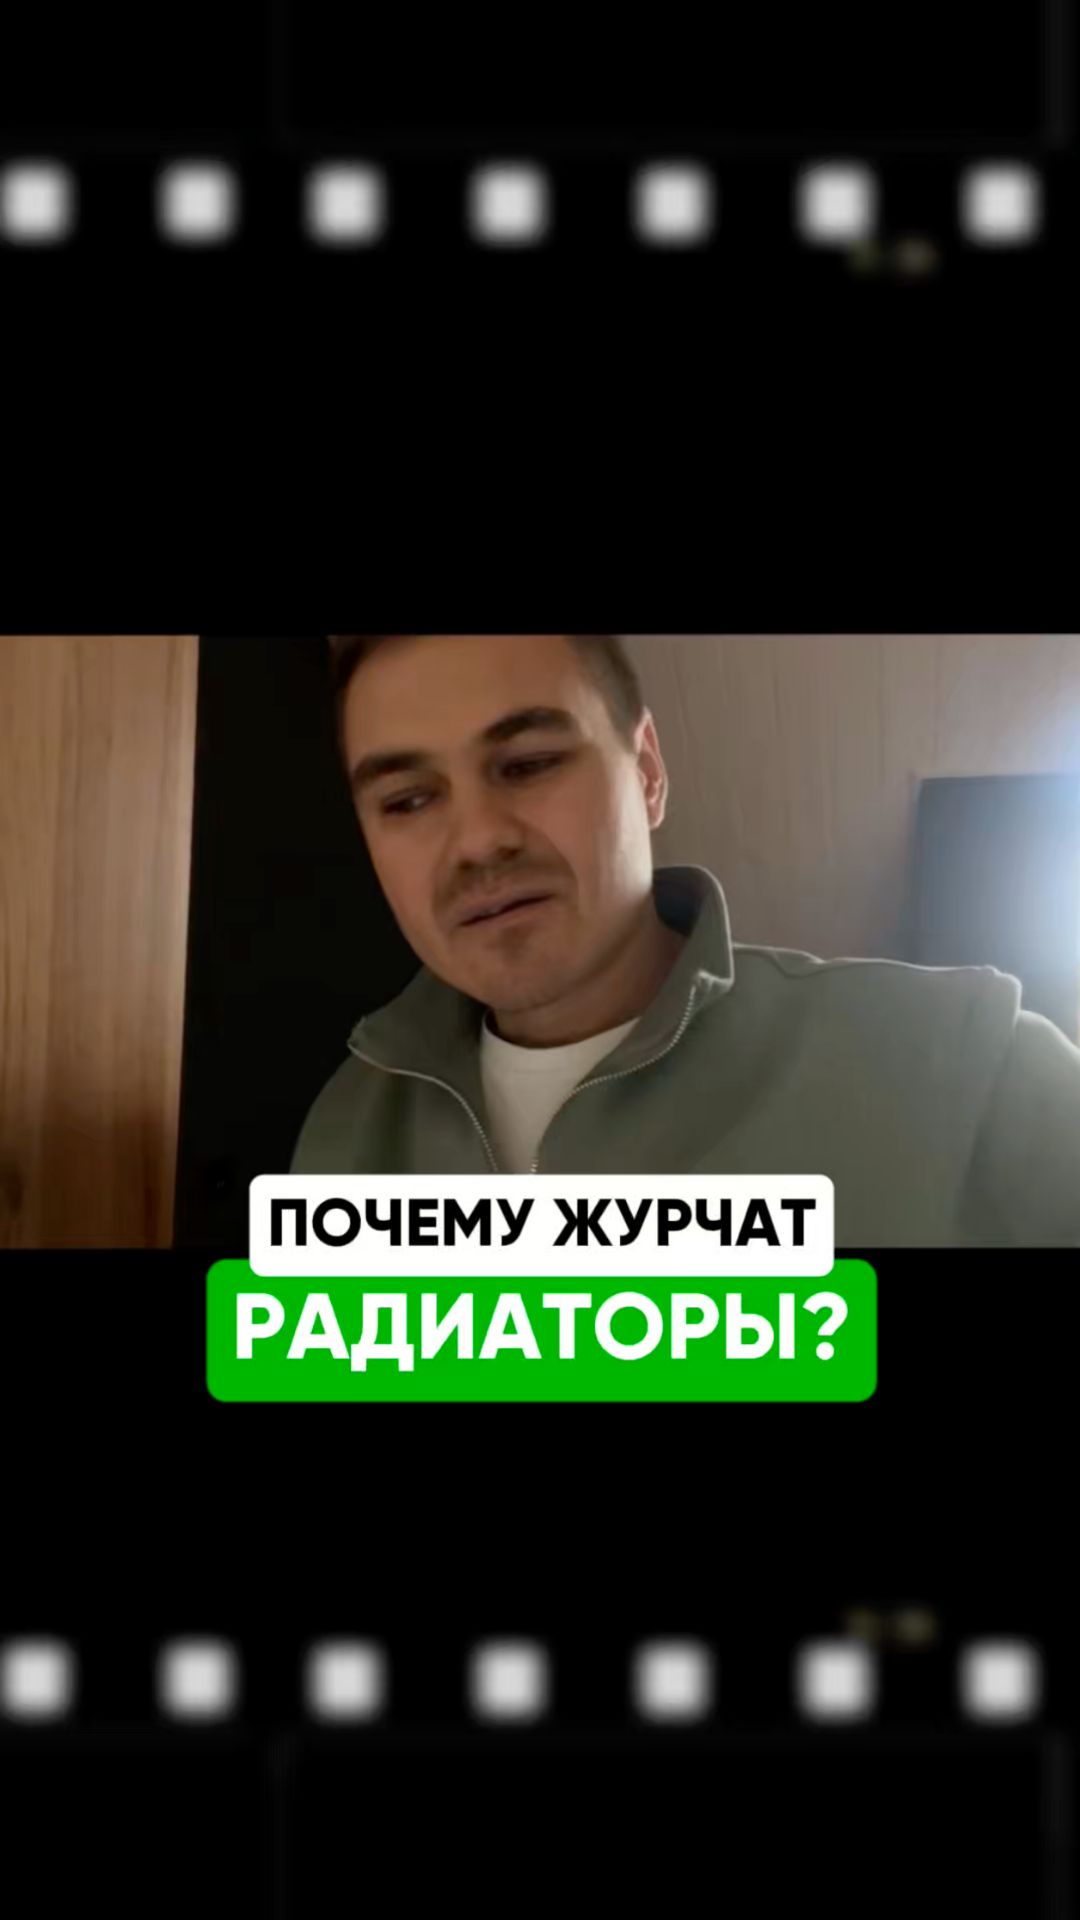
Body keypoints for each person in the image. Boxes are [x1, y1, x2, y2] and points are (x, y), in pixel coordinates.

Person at [290, 633, 1080, 1247]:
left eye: (528, 764)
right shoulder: (344, 1133)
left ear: (647, 772)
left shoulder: (964, 1071)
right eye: (408, 800)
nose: (476, 841)